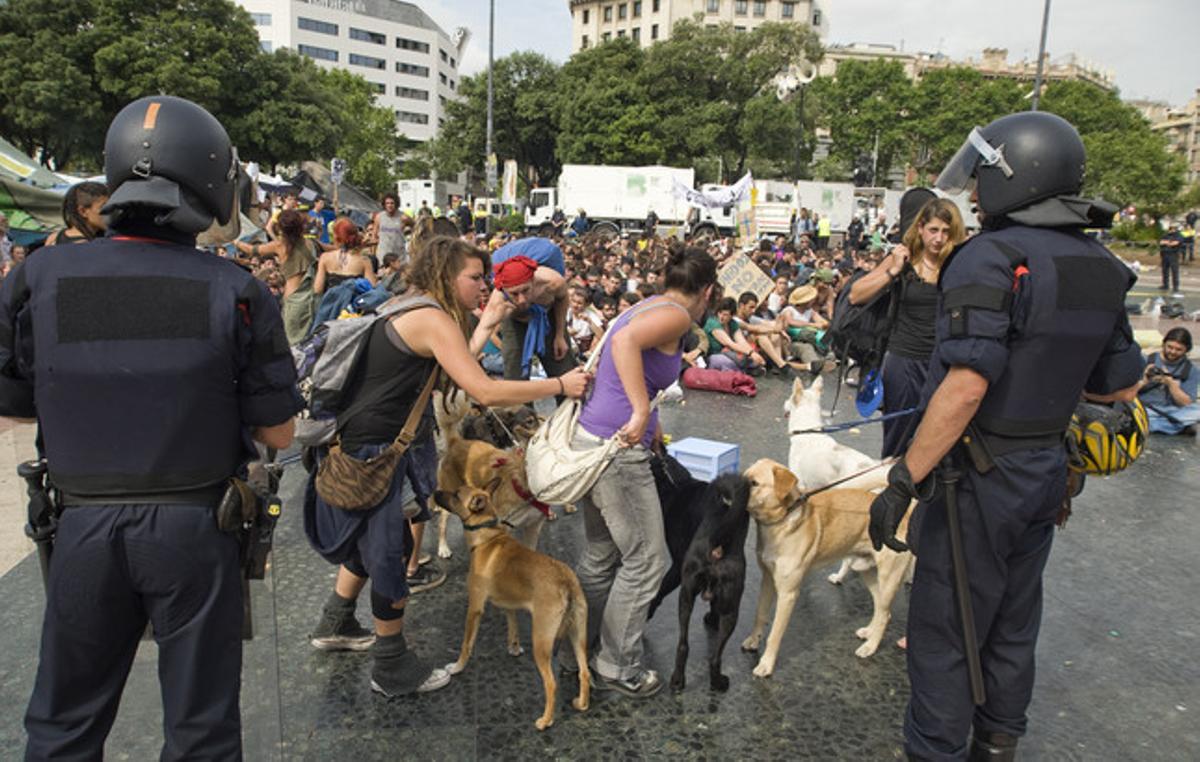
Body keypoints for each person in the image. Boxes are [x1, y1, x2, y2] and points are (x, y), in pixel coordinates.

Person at [1, 95, 301, 759]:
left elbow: (17, 408)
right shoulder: (236, 289)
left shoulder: (36, 277)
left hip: (80, 525)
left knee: (62, 725)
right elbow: (278, 433)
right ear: (211, 183)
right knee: (200, 731)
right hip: (195, 529)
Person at [869, 112, 1145, 761]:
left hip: (979, 475)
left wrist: (904, 478)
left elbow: (965, 386)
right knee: (1014, 623)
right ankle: (997, 745)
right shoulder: (1099, 263)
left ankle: (936, 749)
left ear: (1015, 174)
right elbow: (1117, 390)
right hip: (1048, 470)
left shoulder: (990, 256)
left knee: (944, 626)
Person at [304, 235, 591, 697]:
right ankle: (390, 665)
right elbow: (485, 392)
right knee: (391, 552)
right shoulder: (433, 318)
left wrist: (487, 324)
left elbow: (451, 371)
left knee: (369, 542)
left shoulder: (411, 306)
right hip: (375, 451)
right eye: (475, 277)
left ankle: (335, 621)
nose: (485, 286)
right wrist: (560, 383)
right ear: (446, 274)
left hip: (365, 445)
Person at [573, 246, 717, 697]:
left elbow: (628, 365)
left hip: (593, 437)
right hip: (618, 449)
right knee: (648, 560)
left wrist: (650, 420)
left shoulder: (648, 304)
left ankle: (575, 648)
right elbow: (623, 345)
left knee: (600, 556)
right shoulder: (677, 314)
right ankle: (615, 665)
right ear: (707, 292)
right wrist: (640, 411)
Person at [849, 196, 965, 457]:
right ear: (921, 228)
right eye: (933, 230)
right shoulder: (904, 259)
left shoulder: (959, 264)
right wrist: (893, 271)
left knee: (939, 444)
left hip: (943, 364)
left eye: (946, 232)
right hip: (904, 362)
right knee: (897, 442)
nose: (939, 238)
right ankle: (892, 492)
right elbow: (856, 295)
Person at [488, 237, 574, 384]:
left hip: (549, 315)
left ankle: (570, 403)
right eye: (514, 294)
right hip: (515, 320)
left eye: (525, 291)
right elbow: (485, 329)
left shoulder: (552, 282)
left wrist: (559, 335)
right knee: (514, 375)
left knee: (563, 368)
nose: (521, 299)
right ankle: (519, 405)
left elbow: (562, 299)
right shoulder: (498, 299)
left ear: (533, 281)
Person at [235, 208, 319, 344]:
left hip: (293, 301)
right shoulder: (311, 244)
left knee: (292, 345)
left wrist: (234, 241)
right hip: (312, 299)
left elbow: (252, 250)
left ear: (281, 228)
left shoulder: (280, 246)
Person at [1138, 327, 1199, 434]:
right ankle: (1174, 427)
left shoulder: (1191, 370)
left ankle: (1154, 425)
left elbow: (1186, 403)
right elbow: (1127, 392)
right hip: (1146, 408)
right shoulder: (1146, 360)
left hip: (1173, 410)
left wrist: (1171, 384)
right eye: (1169, 347)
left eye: (1179, 349)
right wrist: (1144, 381)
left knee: (1196, 411)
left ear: (1186, 350)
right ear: (1163, 344)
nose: (1172, 352)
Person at [703, 296, 766, 375]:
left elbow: (742, 342)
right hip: (714, 355)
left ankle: (746, 368)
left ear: (732, 316)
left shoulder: (733, 323)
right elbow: (729, 343)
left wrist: (753, 354)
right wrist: (750, 353)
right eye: (720, 313)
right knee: (728, 362)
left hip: (730, 353)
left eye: (726, 315)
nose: (721, 317)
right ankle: (743, 371)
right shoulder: (712, 323)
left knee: (750, 359)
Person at [315, 218, 377, 295]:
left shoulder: (325, 258)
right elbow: (372, 288)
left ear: (337, 237)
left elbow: (318, 289)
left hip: (332, 304)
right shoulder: (364, 261)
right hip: (353, 304)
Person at [43, 181, 110, 245]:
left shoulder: (54, 238)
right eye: (104, 207)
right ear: (83, 211)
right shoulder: (94, 245)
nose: (111, 211)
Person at [371, 193, 409, 267]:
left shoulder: (403, 217)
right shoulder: (379, 217)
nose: (389, 205)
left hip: (399, 256)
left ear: (396, 204)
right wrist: (373, 254)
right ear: (384, 205)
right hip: (383, 256)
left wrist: (409, 232)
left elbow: (416, 226)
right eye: (387, 203)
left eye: (392, 203)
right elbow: (374, 236)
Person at [1158, 223, 1185, 298]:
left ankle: (1175, 287)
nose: (1170, 230)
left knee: (1174, 271)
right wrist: (1167, 243)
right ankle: (1165, 285)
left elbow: (1175, 243)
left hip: (1173, 255)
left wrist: (1167, 243)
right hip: (1164, 254)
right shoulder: (1166, 235)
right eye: (1170, 228)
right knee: (1164, 271)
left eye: (1172, 228)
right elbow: (1161, 242)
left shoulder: (1179, 235)